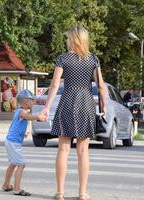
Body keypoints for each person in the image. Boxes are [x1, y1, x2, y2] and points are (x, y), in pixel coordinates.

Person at [42, 25, 107, 200]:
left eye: (67, 38)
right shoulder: (93, 60)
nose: (66, 40)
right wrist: (104, 106)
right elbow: (100, 85)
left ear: (73, 39)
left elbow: (55, 85)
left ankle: (60, 192)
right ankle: (82, 193)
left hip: (67, 102)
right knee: (83, 151)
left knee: (63, 149)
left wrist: (47, 107)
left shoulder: (62, 59)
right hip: (86, 104)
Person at [2, 89, 46, 196]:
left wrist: (24, 133)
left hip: (10, 140)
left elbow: (18, 124)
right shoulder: (22, 112)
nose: (34, 102)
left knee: (13, 163)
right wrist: (38, 116)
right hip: (13, 143)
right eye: (32, 101)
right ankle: (16, 189)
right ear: (26, 102)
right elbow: (28, 117)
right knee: (21, 164)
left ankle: (6, 185)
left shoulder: (19, 111)